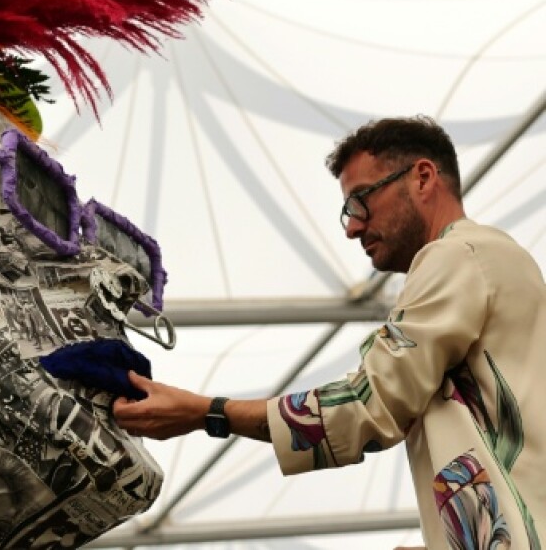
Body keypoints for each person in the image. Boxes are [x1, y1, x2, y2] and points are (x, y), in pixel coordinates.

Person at [113, 116, 546, 549]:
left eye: (360, 200)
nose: (352, 227)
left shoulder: (454, 256)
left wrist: (206, 412)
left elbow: (366, 406)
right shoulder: (500, 261)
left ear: (423, 176)